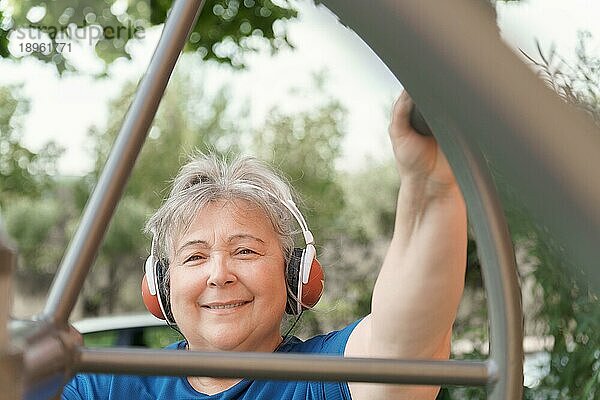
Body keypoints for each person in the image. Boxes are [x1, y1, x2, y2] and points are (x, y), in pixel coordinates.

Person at [62, 91, 467, 400]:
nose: (219, 275)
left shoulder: (319, 380)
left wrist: (429, 184)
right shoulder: (107, 386)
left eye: (245, 251)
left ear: (295, 275)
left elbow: (407, 347)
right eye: (195, 256)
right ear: (162, 286)